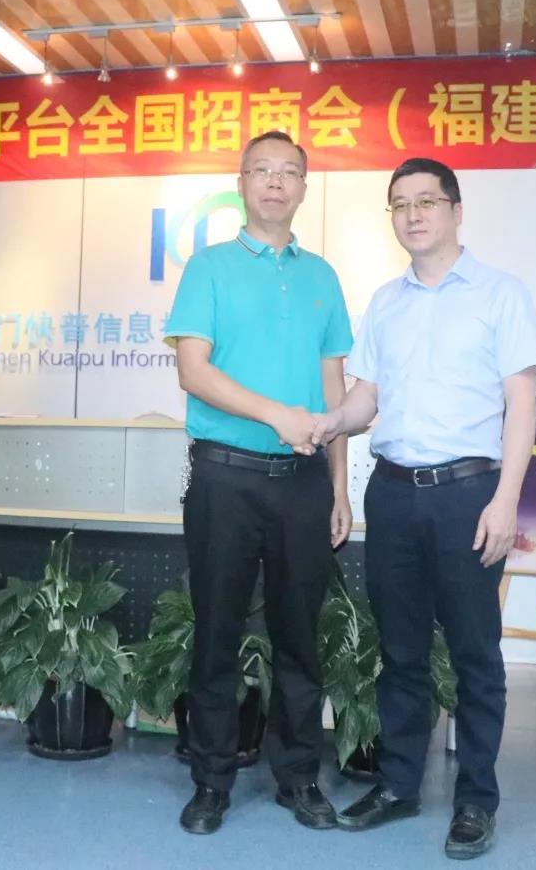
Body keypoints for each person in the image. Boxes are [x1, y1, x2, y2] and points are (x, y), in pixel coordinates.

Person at [309, 158, 536, 859]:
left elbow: (522, 406)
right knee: (401, 651)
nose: (413, 215)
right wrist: (329, 422)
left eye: (427, 202)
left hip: (470, 495)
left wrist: (506, 500)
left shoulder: (502, 294)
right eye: (400, 204)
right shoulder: (385, 303)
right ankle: (399, 785)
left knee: (475, 655)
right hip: (393, 494)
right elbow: (366, 399)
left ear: (456, 211)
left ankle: (475, 801)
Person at [164, 130, 354, 835]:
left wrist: (339, 486)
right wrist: (275, 413)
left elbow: (333, 389)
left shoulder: (322, 277)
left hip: (304, 483)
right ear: (241, 183)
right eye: (262, 170)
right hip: (225, 479)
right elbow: (193, 371)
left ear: (304, 187)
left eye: (289, 172)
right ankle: (211, 782)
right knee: (216, 633)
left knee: (299, 637)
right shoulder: (208, 267)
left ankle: (298, 777)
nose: (276, 182)